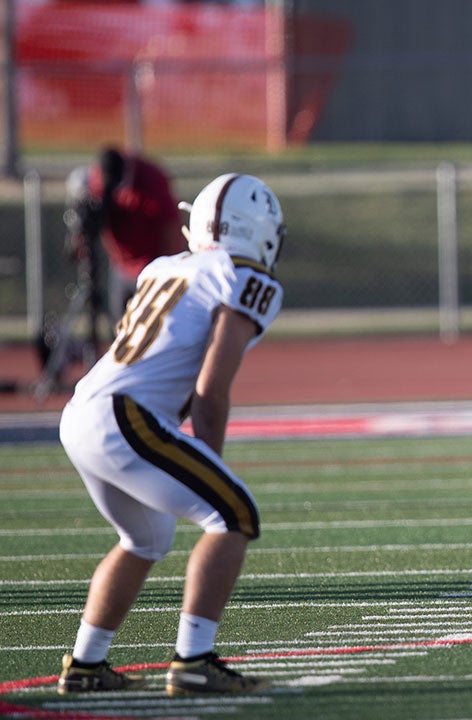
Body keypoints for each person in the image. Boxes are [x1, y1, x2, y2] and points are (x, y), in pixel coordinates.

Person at [55, 173, 286, 696]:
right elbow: (210, 388)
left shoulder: (167, 268)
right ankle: (193, 660)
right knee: (233, 512)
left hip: (83, 410)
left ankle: (87, 665)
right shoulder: (242, 275)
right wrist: (214, 463)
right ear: (260, 232)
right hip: (123, 416)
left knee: (146, 537)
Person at [72, 147, 189, 324]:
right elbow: (93, 213)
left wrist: (167, 271)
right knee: (120, 328)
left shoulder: (151, 179)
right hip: (120, 266)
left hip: (151, 268)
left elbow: (171, 228)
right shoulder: (98, 177)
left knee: (151, 331)